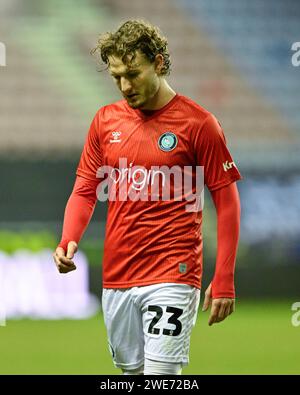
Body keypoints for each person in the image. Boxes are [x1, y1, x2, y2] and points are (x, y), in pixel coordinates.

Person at [53, 19, 242, 375]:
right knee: (132, 376)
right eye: (116, 77)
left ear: (158, 62)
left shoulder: (199, 124)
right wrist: (68, 239)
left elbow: (227, 200)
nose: (125, 86)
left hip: (174, 272)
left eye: (133, 74)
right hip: (118, 277)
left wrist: (225, 276)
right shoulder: (104, 121)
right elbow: (84, 189)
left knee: (161, 378)